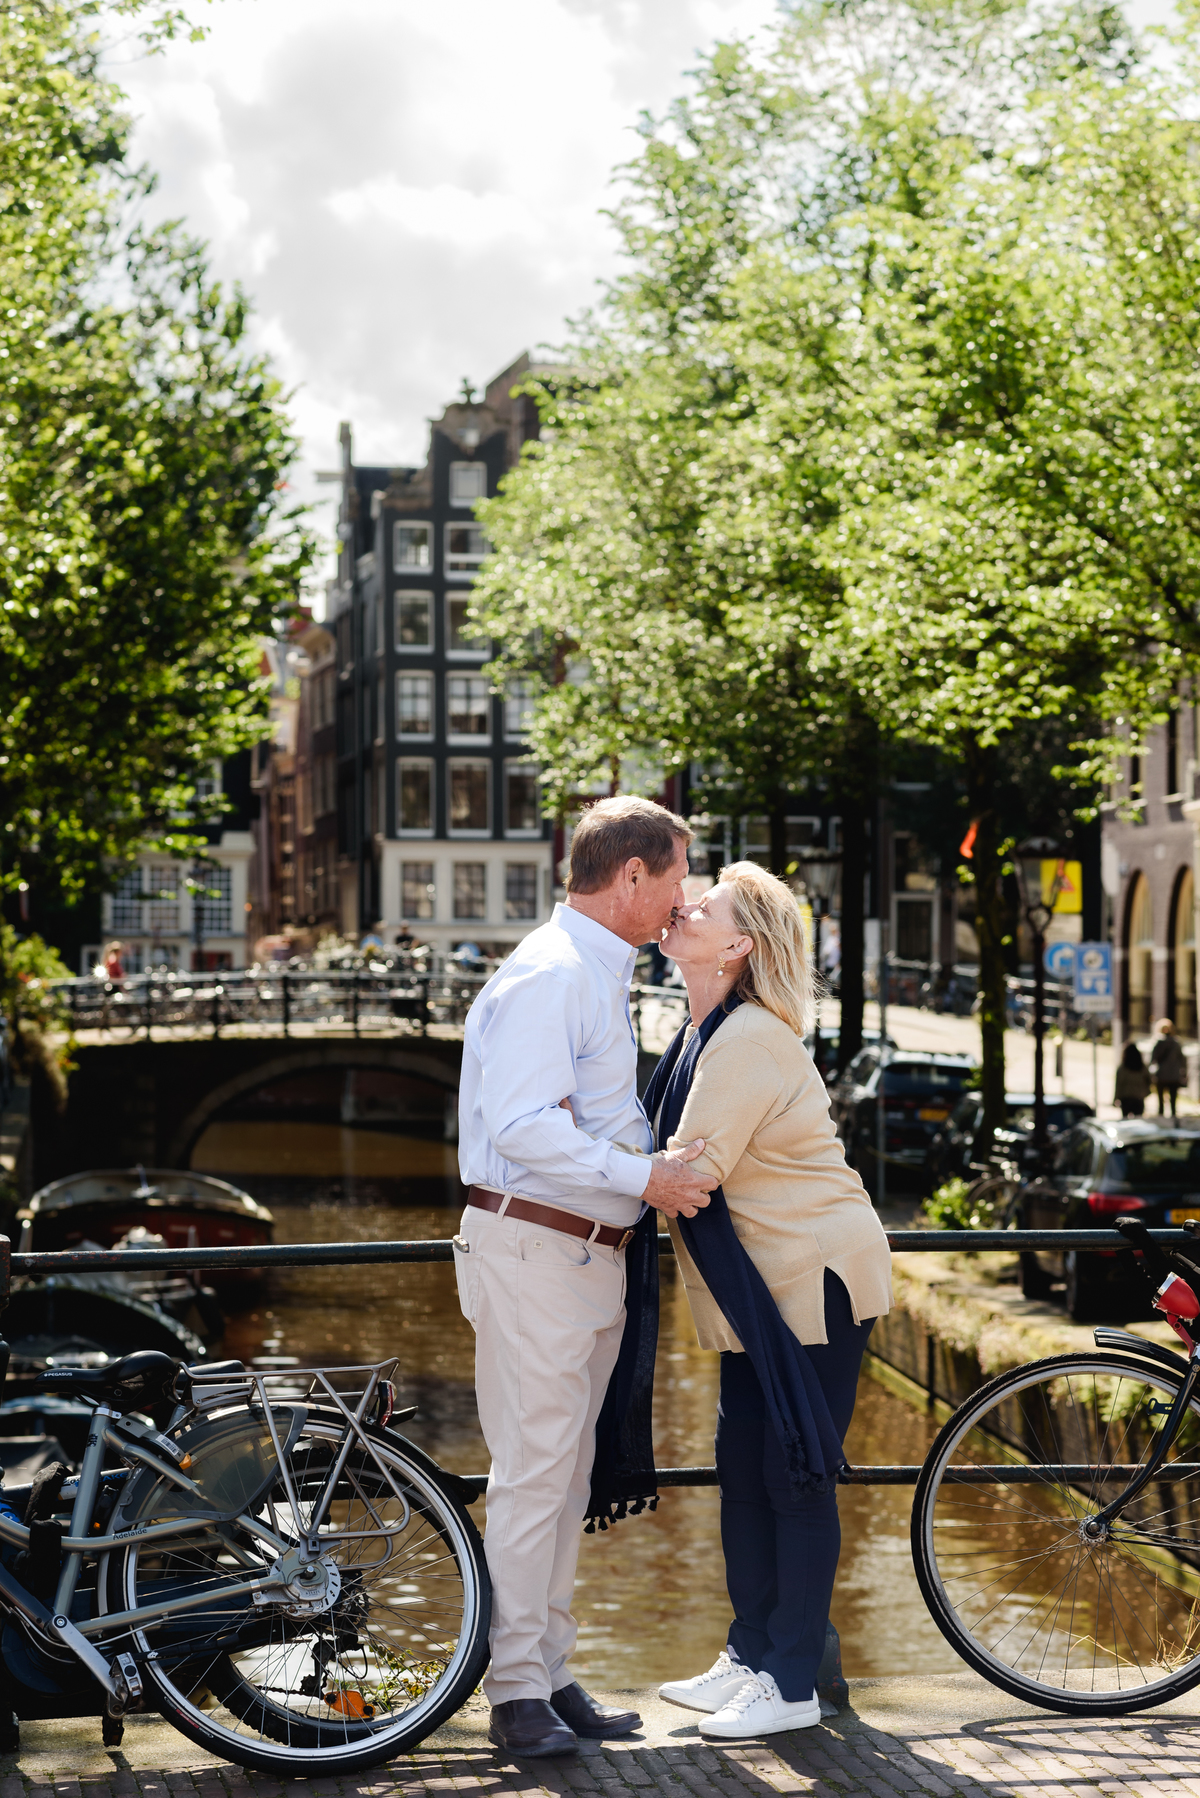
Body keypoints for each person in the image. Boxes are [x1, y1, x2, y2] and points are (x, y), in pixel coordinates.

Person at [456, 795, 718, 1758]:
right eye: (678, 875)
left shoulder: (589, 972)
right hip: (540, 1251)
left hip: (574, 1253)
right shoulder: (555, 974)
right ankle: (516, 1692)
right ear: (633, 873)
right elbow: (525, 1125)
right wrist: (643, 1177)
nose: (683, 896)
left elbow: (576, 1118)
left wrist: (635, 1161)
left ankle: (547, 1670)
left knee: (563, 1480)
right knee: (536, 1478)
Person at [653, 862, 893, 1741]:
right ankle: (752, 1652)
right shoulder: (702, 1032)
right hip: (760, 1290)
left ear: (738, 946)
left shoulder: (747, 1039)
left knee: (795, 1474)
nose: (685, 906)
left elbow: (688, 1174)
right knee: (743, 1470)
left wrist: (565, 1173)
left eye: (705, 904)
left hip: (811, 1279)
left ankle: (792, 1682)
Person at [1151, 1019, 1187, 1118]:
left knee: (1160, 1102)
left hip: (1161, 1075)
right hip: (1174, 1075)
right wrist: (1183, 1073)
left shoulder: (1158, 1042)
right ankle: (1173, 1118)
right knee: (1173, 1101)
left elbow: (1153, 1059)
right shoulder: (1176, 1042)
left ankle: (1161, 1118)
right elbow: (1182, 1059)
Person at [1114, 1040, 1151, 1118]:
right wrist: (1146, 1092)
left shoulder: (1123, 1068)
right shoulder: (1142, 1067)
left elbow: (1118, 1084)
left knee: (1125, 1121)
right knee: (1138, 1120)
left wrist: (1115, 1098)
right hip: (1139, 1098)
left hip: (1126, 1098)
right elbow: (1149, 1080)